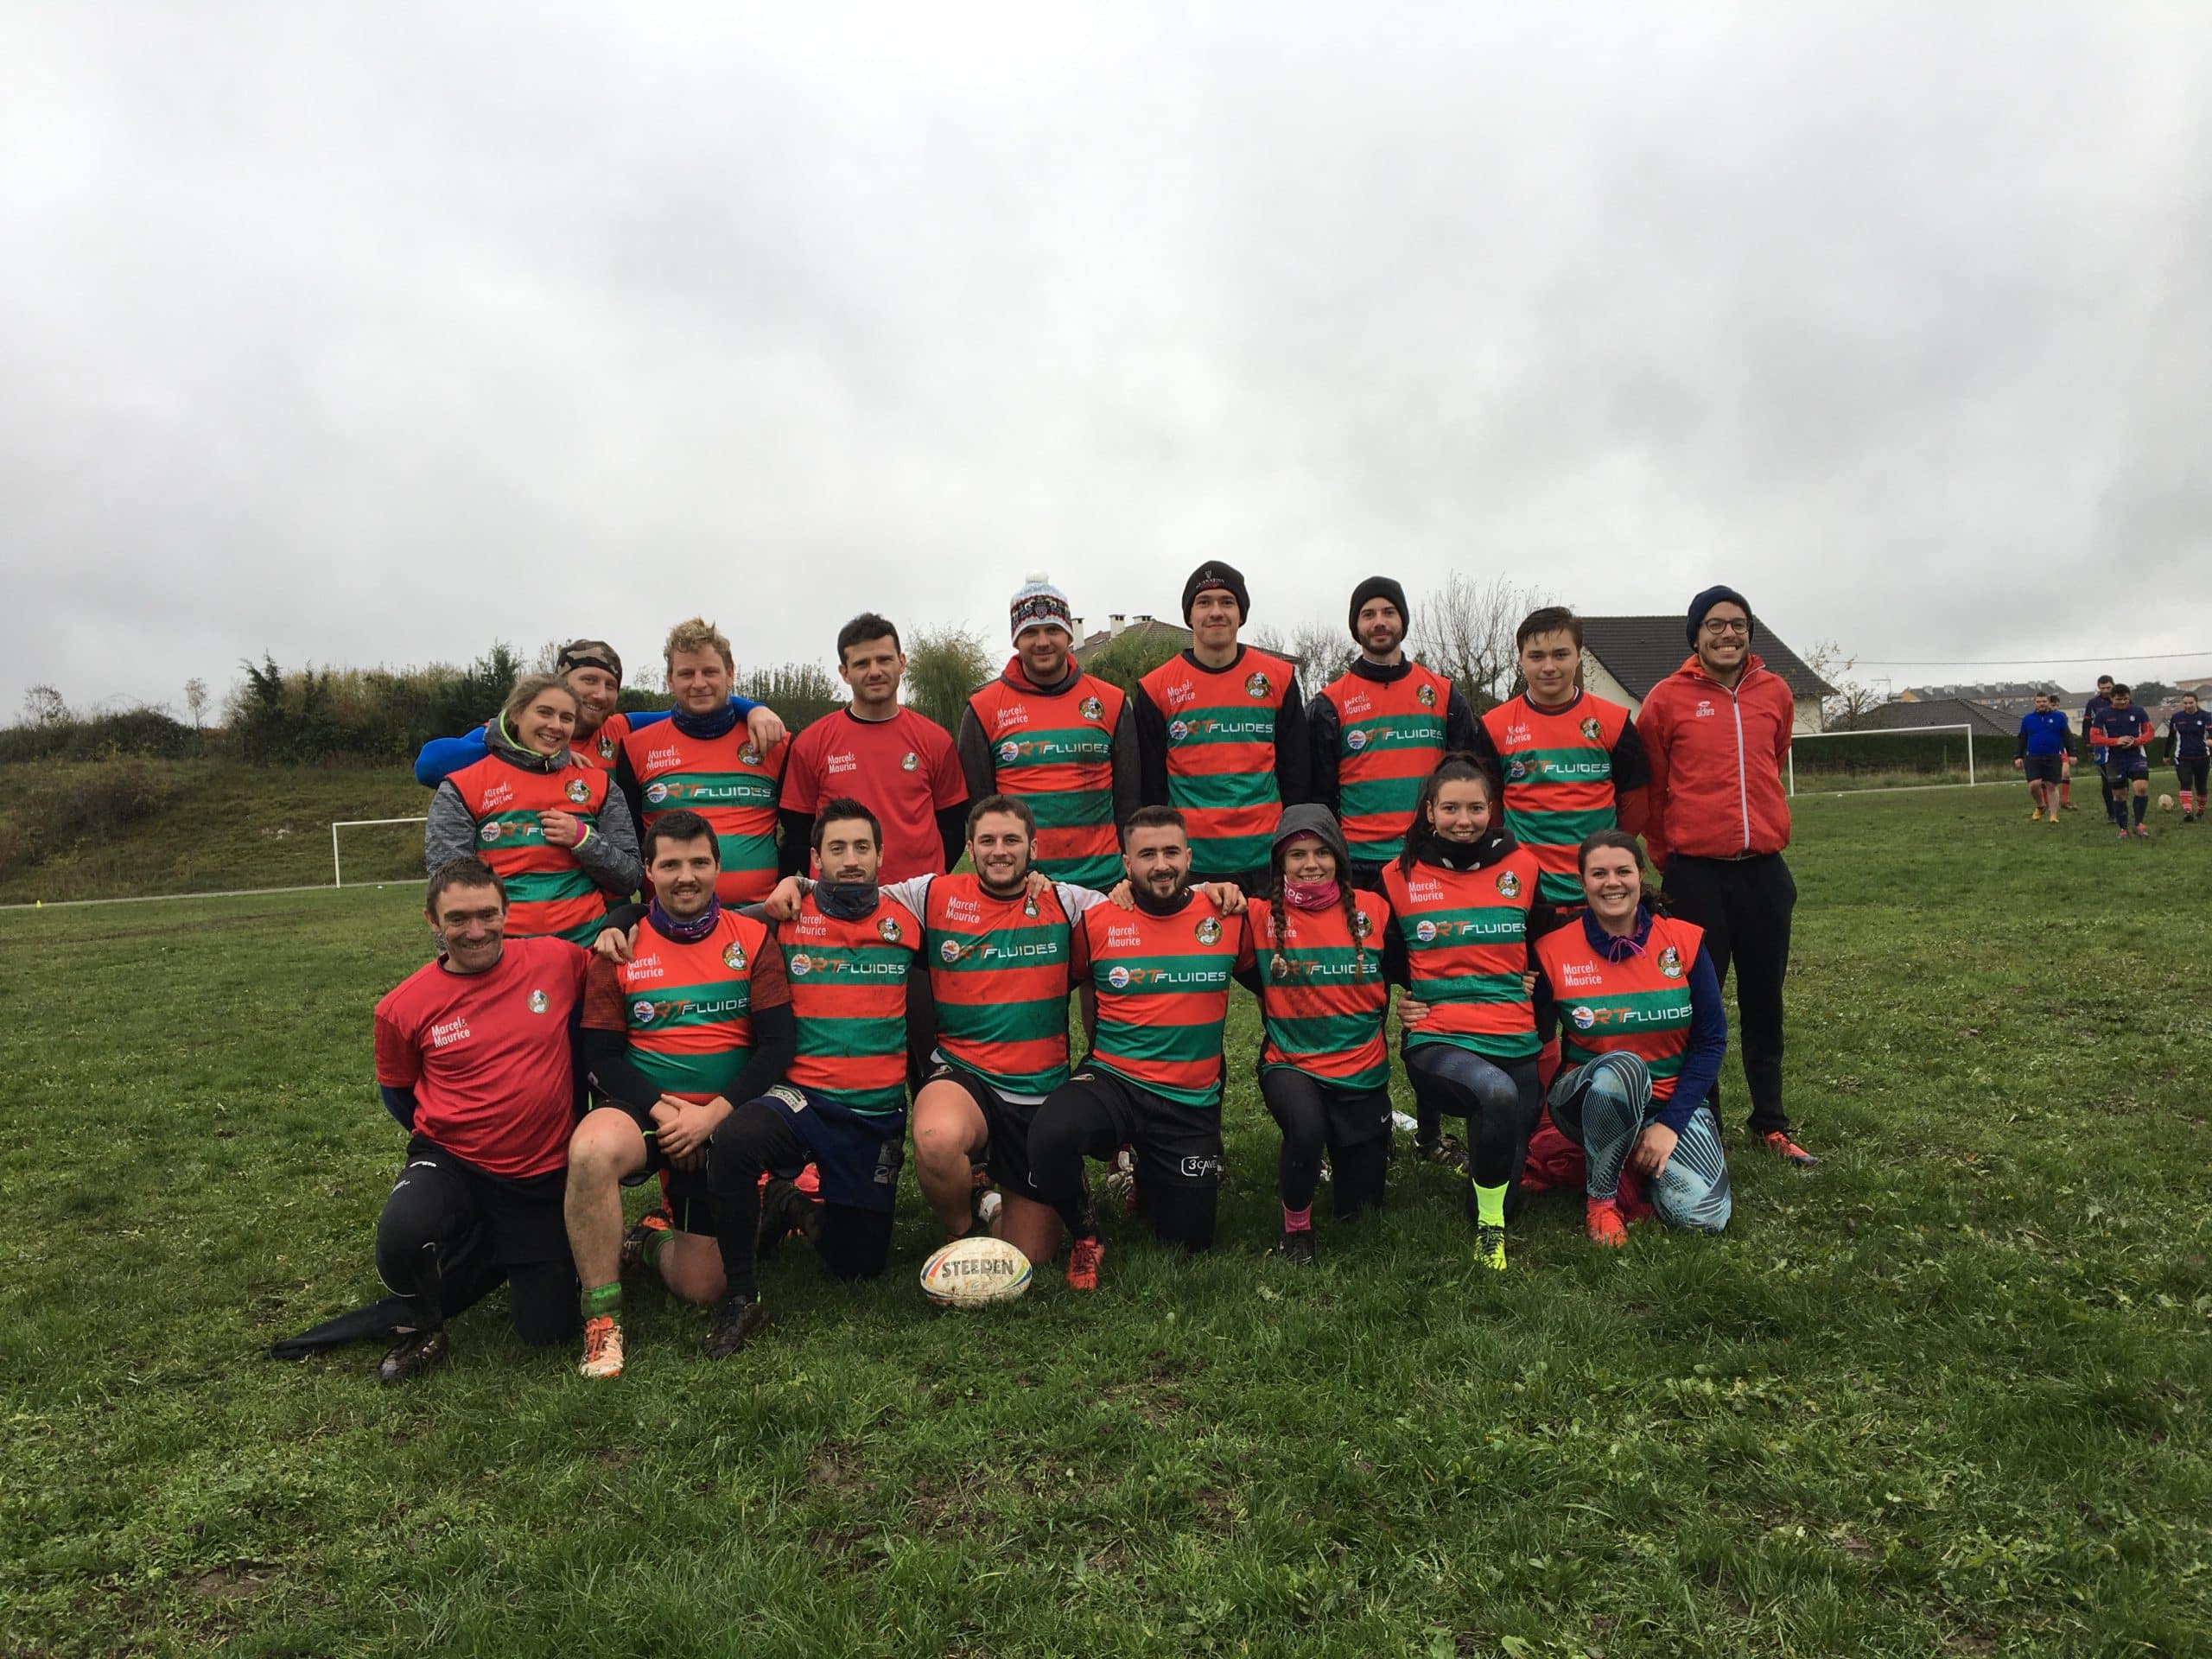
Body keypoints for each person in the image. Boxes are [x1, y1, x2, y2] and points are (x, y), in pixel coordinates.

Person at [564, 810, 795, 1378]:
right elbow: (601, 1056)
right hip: (651, 1111)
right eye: (670, 864)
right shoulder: (618, 946)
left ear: (718, 867)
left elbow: (777, 1047)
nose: (685, 876)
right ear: (648, 871)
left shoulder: (752, 939)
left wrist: (712, 1118)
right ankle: (601, 1320)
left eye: (698, 863)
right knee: (591, 1151)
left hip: (723, 1120)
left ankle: (648, 1238)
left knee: (703, 1287)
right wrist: (668, 1113)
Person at [694, 799, 923, 1357]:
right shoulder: (783, 914)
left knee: (858, 1267)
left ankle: (789, 1203)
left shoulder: (910, 918)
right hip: (802, 1096)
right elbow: (699, 919)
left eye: (861, 848)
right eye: (837, 849)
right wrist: (622, 920)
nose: (850, 860)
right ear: (815, 857)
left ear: (880, 856)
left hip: (875, 1110)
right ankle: (742, 1298)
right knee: (735, 1140)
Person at [365, 858, 589, 1382]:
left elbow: (623, 953)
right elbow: (400, 1096)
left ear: (507, 913)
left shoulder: (556, 960)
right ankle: (423, 1327)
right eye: (458, 919)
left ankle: (507, 1247)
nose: (475, 931)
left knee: (547, 1331)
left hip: (539, 1174)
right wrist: (460, 1129)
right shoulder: (401, 1006)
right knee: (402, 1232)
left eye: (488, 915)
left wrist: (620, 923)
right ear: (431, 921)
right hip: (454, 1159)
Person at [1027, 806, 1255, 1288]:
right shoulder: (1098, 921)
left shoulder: (1229, 915)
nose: (1161, 865)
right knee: (1049, 1134)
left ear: (1189, 856)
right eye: (1147, 854)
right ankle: (1088, 1235)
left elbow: (1276, 986)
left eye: (1171, 851)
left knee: (1189, 1241)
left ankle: (1151, 1179)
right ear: (1126, 863)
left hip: (1188, 1102)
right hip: (1116, 1081)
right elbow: (1055, 981)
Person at [1637, 586, 1816, 1166]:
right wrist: (1671, 860)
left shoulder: (1775, 692)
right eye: (1715, 625)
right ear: (1696, 635)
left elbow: (1776, 755)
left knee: (1765, 1000)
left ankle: (1770, 1121)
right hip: (1695, 877)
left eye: (1738, 625)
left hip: (1765, 873)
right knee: (1698, 1005)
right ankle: (1702, 1122)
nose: (1727, 635)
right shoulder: (1666, 700)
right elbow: (1653, 789)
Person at [1384, 756, 1551, 1271]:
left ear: (1491, 809)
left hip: (1514, 1035)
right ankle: (1489, 1231)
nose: (1464, 820)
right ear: (1430, 811)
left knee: (1506, 1168)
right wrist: (1402, 993)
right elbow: (1377, 951)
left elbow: (1547, 942)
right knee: (1496, 1094)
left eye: (1475, 808)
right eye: (1451, 808)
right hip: (1441, 1037)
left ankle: (1491, 1205)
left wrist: (1534, 973)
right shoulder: (1398, 875)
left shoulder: (1523, 866)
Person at [1535, 831, 1732, 1244]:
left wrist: (1671, 1126)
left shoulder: (1684, 941)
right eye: (1599, 873)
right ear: (1581, 882)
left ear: (1640, 877)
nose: (1612, 883)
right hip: (1588, 1098)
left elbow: (1711, 1040)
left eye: (1623, 871)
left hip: (1668, 1105)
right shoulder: (1553, 949)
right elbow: (1529, 1034)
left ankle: (1628, 1165)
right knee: (1625, 1066)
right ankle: (1603, 1203)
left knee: (1703, 1217)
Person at [1245, 805, 1395, 1264]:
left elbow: (1420, 968)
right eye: (1297, 855)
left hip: (1362, 1071)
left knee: (1361, 1210)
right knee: (1306, 1129)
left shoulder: (1376, 910)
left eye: (1322, 852)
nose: (1311, 864)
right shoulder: (1254, 915)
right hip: (1291, 1063)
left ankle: (1358, 1140)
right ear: (1280, 863)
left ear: (1340, 858)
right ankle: (1297, 1229)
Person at [423, 674, 642, 944]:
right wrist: (460, 967)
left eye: (566, 718)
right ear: (515, 713)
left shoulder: (598, 784)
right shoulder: (462, 787)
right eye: (544, 713)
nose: (555, 726)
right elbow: (446, 896)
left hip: (584, 953)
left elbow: (629, 878)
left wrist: (584, 840)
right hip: (503, 959)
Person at [957, 577, 1140, 890]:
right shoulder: (983, 709)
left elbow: (1130, 802)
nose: (1042, 642)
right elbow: (980, 810)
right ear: (1016, 640)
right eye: (1030, 632)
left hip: (1105, 884)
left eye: (1052, 630)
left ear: (1068, 634)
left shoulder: (1111, 701)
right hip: (1022, 886)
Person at [1136, 563, 1310, 893]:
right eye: (1204, 603)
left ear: (1241, 614)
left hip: (1267, 861)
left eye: (1226, 602)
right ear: (1190, 615)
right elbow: (1152, 791)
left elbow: (1297, 777)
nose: (1216, 612)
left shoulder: (1278, 678)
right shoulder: (1156, 688)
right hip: (1192, 866)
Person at [1308, 575, 1482, 889]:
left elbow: (1469, 775)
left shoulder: (1443, 694)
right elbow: (1319, 792)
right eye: (1368, 614)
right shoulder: (1329, 703)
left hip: (1429, 853)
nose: (1379, 622)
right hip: (1358, 862)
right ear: (1355, 626)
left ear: (1402, 620)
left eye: (1388, 612)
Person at [413, 639, 786, 782]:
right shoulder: (512, 732)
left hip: (597, 905)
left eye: (611, 685)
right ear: (561, 682)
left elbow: (693, 708)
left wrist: (752, 709)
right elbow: (429, 765)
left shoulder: (618, 729)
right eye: (588, 681)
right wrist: (516, 742)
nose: (600, 694)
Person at [779, 613, 969, 885]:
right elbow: (798, 831)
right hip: (839, 899)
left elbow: (953, 826)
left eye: (884, 659)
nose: (875, 671)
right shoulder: (811, 743)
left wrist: (924, 881)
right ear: (844, 673)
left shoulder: (935, 740)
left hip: (918, 899)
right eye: (862, 663)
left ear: (901, 663)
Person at [1479, 607, 1649, 907]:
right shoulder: (1494, 726)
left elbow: (1635, 807)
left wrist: (1606, 858)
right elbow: (1490, 811)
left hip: (1599, 889)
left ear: (1578, 655)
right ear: (1520, 659)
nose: (1549, 666)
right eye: (1536, 656)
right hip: (1527, 891)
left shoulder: (1613, 722)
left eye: (1560, 655)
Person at [618, 618, 787, 904]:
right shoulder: (636, 746)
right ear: (670, 680)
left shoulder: (773, 741)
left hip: (761, 919)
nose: (699, 684)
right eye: (686, 674)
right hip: (669, 924)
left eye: (710, 671)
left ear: (730, 674)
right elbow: (630, 841)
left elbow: (797, 834)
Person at [2092, 683, 2155, 839]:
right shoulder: (2103, 715)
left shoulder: (2138, 711)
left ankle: (2139, 825)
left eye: (2126, 699)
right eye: (2119, 699)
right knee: (2120, 795)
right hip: (2114, 759)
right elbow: (2094, 737)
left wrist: (2136, 741)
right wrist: (2117, 741)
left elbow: (2150, 733)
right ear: (2112, 699)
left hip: (2136, 756)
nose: (2123, 702)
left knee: (2141, 788)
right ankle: (2123, 829)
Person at [2013, 691, 2072, 824]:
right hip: (2033, 756)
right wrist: (2018, 755)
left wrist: (2072, 753)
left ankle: (2053, 815)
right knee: (2034, 785)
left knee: (2051, 785)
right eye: (2039, 702)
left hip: (2053, 755)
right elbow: (2022, 738)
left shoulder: (2059, 718)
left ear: (2048, 702)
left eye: (2044, 701)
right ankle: (2040, 805)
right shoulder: (2027, 719)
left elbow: (2067, 736)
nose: (2042, 704)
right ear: (2035, 703)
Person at [2166, 690, 2209, 823]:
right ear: (2182, 703)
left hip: (2202, 756)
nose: (2188, 705)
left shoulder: (2206, 716)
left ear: (2196, 702)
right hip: (2183, 757)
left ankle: (2201, 810)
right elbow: (2171, 737)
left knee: (2201, 785)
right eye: (2185, 703)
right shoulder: (2177, 717)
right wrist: (2166, 754)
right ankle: (2188, 811)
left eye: (2191, 703)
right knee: (2185, 782)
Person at [2082, 676, 2118, 825]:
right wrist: (2088, 745)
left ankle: (2121, 808)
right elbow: (2086, 725)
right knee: (2107, 780)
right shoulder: (2093, 703)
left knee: (2121, 779)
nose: (2105, 691)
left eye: (2108, 688)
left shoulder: (2121, 699)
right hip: (2102, 746)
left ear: (2113, 686)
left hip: (2120, 744)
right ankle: (2111, 813)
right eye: (2102, 688)